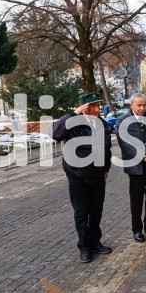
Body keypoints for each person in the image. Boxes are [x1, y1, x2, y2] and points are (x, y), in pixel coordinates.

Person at [52, 91, 113, 264]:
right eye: (91, 106)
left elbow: (106, 149)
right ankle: (84, 246)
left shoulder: (103, 124)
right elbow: (56, 133)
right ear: (83, 107)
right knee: (81, 213)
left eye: (97, 106)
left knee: (96, 212)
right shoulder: (73, 123)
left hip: (98, 176)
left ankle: (95, 242)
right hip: (78, 177)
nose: (96, 110)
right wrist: (75, 112)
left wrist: (106, 168)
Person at [115, 93, 146, 243]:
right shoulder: (122, 121)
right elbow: (125, 144)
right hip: (135, 165)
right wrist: (143, 155)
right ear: (131, 105)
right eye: (139, 105)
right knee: (136, 199)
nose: (142, 108)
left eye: (144, 105)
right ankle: (137, 229)